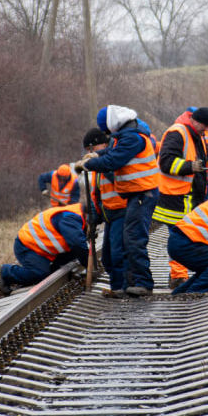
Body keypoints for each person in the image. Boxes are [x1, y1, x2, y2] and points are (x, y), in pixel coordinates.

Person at [77, 105, 159, 296]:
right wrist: (96, 155)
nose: (107, 135)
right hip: (136, 195)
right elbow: (111, 153)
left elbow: (114, 160)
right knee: (130, 240)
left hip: (141, 194)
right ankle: (133, 283)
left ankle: (143, 283)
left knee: (133, 239)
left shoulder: (132, 137)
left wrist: (90, 163)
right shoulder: (127, 135)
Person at [152, 106, 208, 289]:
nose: (206, 131)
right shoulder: (177, 133)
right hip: (175, 198)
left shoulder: (197, 135)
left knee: (191, 236)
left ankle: (187, 275)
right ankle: (178, 277)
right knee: (181, 237)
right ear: (195, 121)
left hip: (190, 197)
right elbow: (166, 162)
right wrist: (189, 167)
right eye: (204, 126)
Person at [78, 127, 127, 296]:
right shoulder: (99, 165)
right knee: (107, 256)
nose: (91, 153)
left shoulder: (112, 159)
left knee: (117, 253)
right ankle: (118, 286)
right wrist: (93, 218)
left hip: (122, 210)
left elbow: (120, 180)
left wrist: (101, 165)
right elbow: (96, 194)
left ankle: (120, 287)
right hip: (109, 214)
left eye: (92, 149)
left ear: (102, 144)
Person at [0, 203, 89, 290]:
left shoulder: (76, 215)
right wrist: (88, 265)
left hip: (42, 248)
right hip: (28, 246)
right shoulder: (70, 219)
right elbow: (77, 245)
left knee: (74, 253)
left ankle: (52, 269)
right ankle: (6, 271)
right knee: (40, 274)